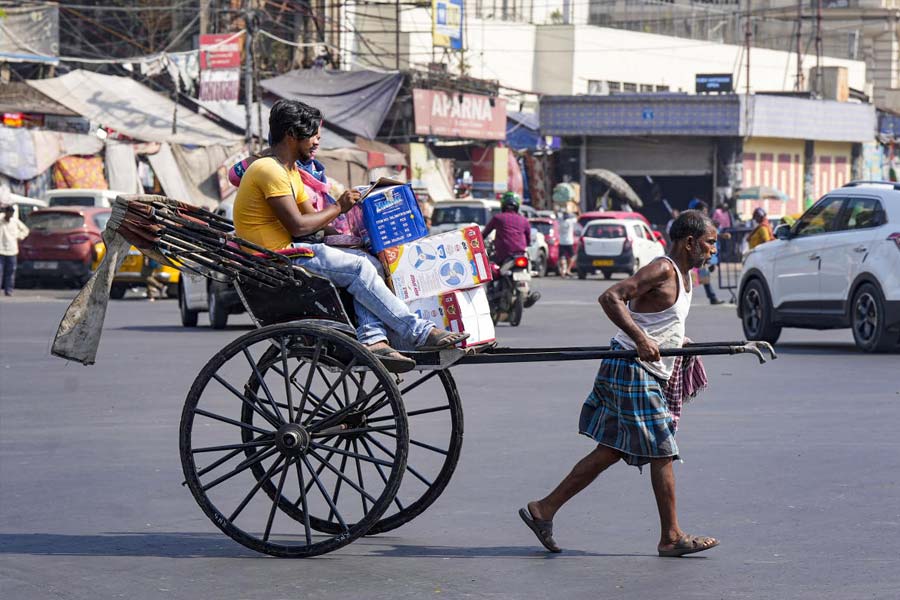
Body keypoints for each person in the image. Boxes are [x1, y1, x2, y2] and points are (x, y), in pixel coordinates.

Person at [518, 210, 721, 557]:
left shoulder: (686, 277)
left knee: (611, 450)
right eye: (710, 242)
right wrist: (640, 340)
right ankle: (670, 536)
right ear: (690, 242)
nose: (713, 250)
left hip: (643, 370)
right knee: (663, 449)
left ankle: (544, 508)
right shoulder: (662, 269)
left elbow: (657, 318)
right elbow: (611, 297)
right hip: (631, 368)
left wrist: (679, 341)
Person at [232, 99, 467, 372]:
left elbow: (318, 222)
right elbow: (299, 226)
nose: (317, 143)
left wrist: (358, 231)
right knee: (359, 268)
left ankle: (373, 339)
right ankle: (417, 331)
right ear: (291, 135)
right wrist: (338, 206)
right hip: (280, 257)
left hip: (293, 250)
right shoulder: (268, 170)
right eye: (312, 136)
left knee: (371, 261)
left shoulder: (289, 171)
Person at [482, 192, 540, 307]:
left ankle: (492, 295)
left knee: (492, 271)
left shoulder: (498, 218)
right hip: (521, 254)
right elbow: (528, 240)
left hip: (503, 255)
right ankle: (527, 294)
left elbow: (484, 234)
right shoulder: (524, 220)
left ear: (503, 205)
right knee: (527, 270)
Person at [0, 204, 29, 297]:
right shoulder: (0, 219)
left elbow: (25, 230)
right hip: (1, 250)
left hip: (12, 250)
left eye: (11, 213)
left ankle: (9, 290)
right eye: (8, 213)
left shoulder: (15, 221)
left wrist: (19, 236)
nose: (10, 215)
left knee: (10, 271)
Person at [557, 212, 577, 278]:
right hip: (569, 242)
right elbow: (578, 217)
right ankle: (568, 269)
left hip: (561, 242)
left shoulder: (560, 221)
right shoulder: (571, 221)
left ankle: (563, 271)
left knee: (562, 257)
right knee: (572, 256)